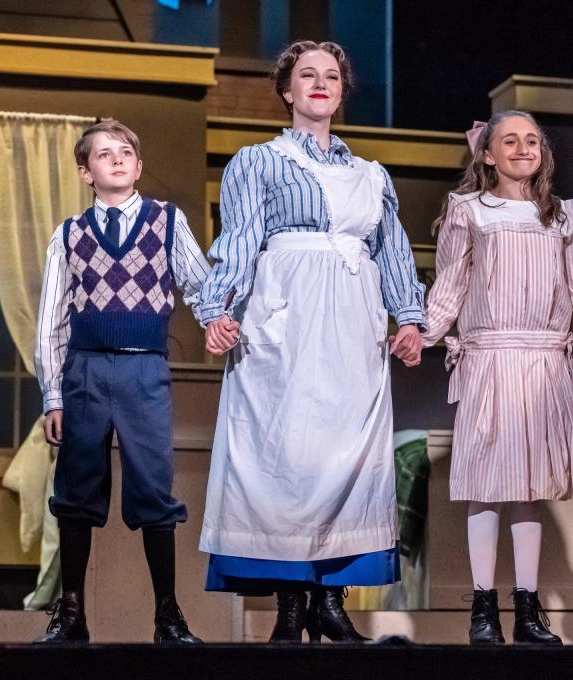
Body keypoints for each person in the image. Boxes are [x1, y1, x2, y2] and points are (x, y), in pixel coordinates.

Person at [197, 40, 425, 643]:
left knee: (345, 457)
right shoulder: (258, 161)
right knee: (287, 459)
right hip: (286, 317)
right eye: (307, 75)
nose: (320, 83)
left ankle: (331, 601)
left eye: (331, 76)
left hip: (353, 322)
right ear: (287, 90)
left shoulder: (371, 176)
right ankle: (290, 606)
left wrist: (409, 319)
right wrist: (216, 308)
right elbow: (240, 239)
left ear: (342, 92)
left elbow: (393, 252)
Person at [421, 111, 573, 645]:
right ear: (487, 154)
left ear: (543, 153)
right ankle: (483, 607)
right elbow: (449, 288)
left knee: (530, 490)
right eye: (509, 140)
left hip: (544, 367)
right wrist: (417, 334)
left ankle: (528, 609)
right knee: (486, 487)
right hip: (490, 360)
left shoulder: (561, 218)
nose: (522, 148)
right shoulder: (469, 211)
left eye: (532, 140)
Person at [33, 120, 211, 644]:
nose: (117, 159)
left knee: (155, 490)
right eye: (104, 154)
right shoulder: (69, 234)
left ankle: (168, 616)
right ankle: (71, 615)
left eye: (126, 151)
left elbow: (200, 284)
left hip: (143, 369)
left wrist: (219, 320)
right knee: (76, 491)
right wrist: (52, 394)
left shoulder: (166, 221)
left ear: (137, 163)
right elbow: (51, 322)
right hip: (86, 370)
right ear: (85, 171)